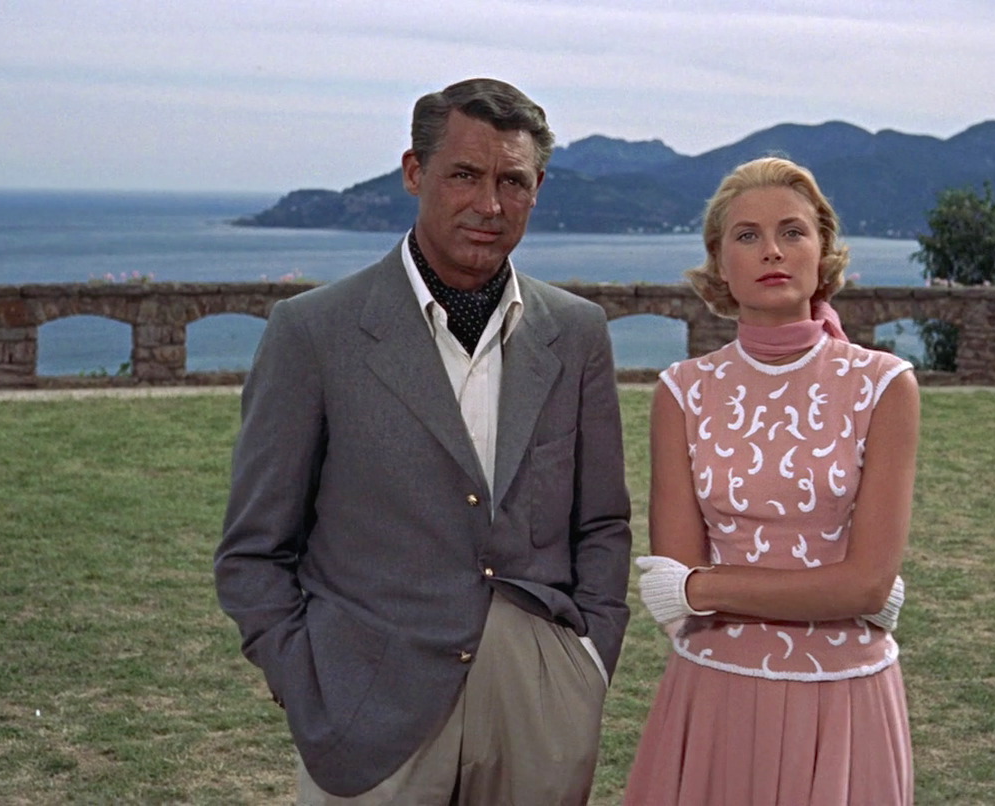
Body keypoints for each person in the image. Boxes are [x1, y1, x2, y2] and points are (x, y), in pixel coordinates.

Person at [215, 77, 633, 804]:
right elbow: (254, 549)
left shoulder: (576, 332)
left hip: (538, 702)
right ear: (414, 172)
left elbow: (601, 522)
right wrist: (305, 680)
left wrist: (587, 665)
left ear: (537, 188)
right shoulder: (314, 332)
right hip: (366, 704)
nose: (490, 204)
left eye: (513, 181)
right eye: (464, 175)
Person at [626, 157, 918, 805]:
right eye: (747, 235)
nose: (772, 251)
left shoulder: (884, 385)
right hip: (715, 692)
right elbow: (676, 580)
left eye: (792, 231)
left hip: (844, 698)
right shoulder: (682, 391)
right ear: (719, 262)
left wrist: (702, 588)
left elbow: (865, 584)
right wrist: (832, 592)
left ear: (823, 250)